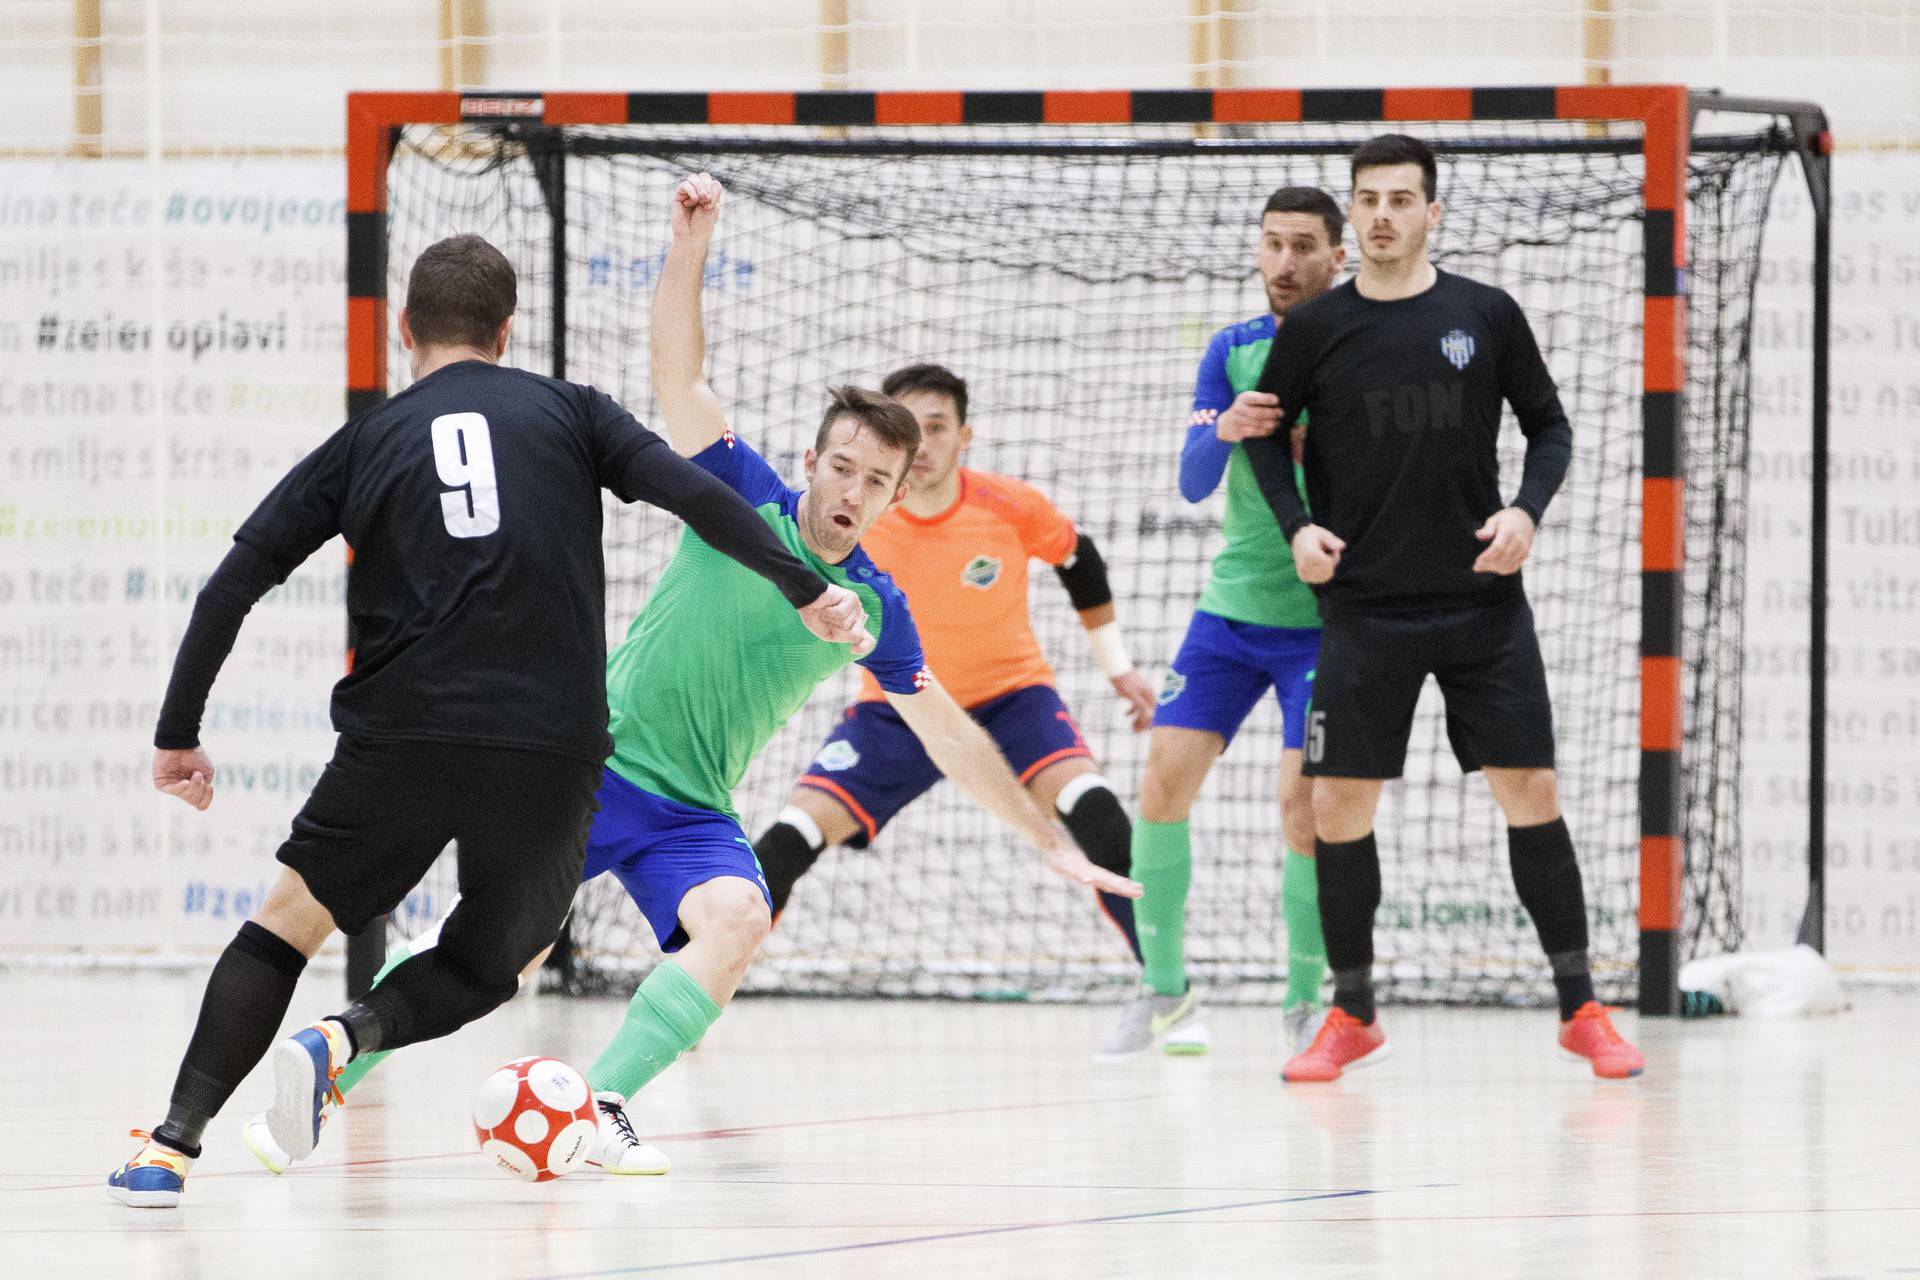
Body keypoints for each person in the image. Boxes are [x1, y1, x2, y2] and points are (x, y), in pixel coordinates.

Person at [238, 172, 1140, 1180]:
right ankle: (333, 1062)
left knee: (738, 916)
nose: (854, 489)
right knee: (505, 957)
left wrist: (1046, 834)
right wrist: (687, 245)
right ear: (813, 460)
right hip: (591, 764)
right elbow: (680, 372)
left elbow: (946, 728)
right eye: (842, 467)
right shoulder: (741, 493)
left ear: (893, 494)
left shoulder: (876, 603)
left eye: (877, 480)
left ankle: (605, 1100)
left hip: (691, 806)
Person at [109, 233, 869, 1207]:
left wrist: (179, 731)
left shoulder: (366, 441)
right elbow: (700, 496)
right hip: (550, 753)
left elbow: (233, 584)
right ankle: (348, 1036)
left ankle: (170, 1147)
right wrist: (805, 585)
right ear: (508, 333)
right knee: (487, 962)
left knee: (286, 923)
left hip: (401, 737)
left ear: (404, 331)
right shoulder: (573, 413)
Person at [1244, 134, 1645, 1082]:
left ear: (1434, 212)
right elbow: (1263, 434)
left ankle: (1582, 1007)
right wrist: (1297, 525)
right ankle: (1353, 1013)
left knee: (1531, 794)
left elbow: (1549, 427)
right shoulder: (1314, 329)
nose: (1382, 214)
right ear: (1353, 216)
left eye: (1400, 199)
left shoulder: (1486, 314)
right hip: (1364, 610)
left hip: (1482, 609)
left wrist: (1526, 510)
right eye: (1367, 199)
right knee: (1336, 807)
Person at [752, 361, 1156, 997]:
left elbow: (1081, 559)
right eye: (911, 427)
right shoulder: (861, 513)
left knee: (1099, 815)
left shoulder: (1010, 505)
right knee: (787, 839)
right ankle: (695, 990)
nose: (925, 442)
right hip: (897, 708)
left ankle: (1168, 986)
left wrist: (1120, 668)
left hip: (1012, 699)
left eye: (938, 427)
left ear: (963, 437)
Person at [1104, 187, 1347, 1061]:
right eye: (1273, 245)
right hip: (1230, 615)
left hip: (1324, 624)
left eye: (1304, 246)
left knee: (1304, 805)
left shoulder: (1361, 345)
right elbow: (1194, 481)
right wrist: (1231, 430)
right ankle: (1164, 994)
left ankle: (1303, 1005)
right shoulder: (1233, 350)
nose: (1286, 263)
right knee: (1162, 784)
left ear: (1337, 257)